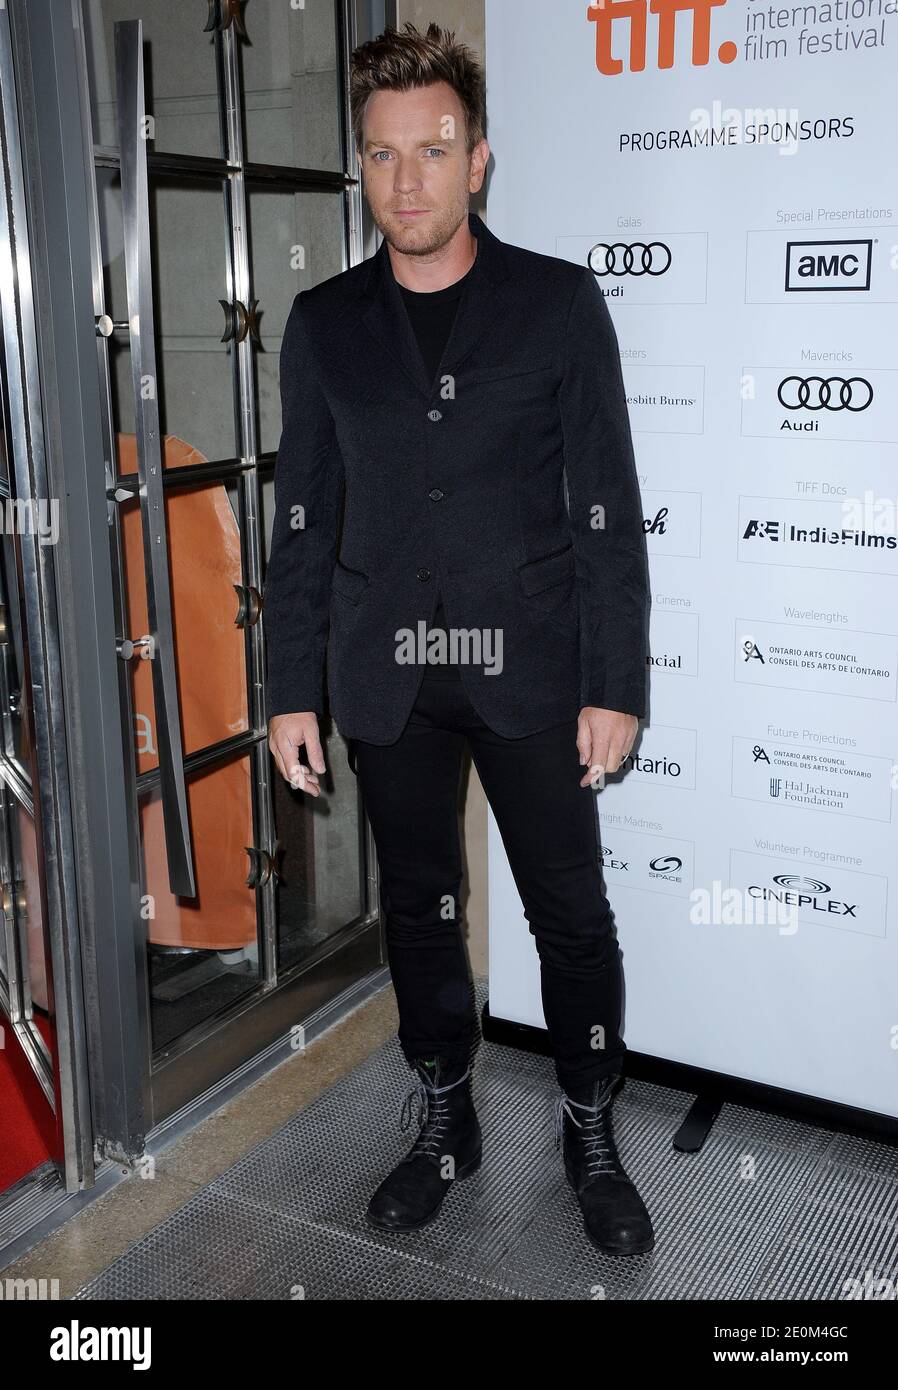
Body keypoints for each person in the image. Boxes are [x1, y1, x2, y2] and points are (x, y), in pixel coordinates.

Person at [265, 21, 653, 1256]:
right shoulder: (324, 322)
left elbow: (604, 503)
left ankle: (589, 1121)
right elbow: (302, 516)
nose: (408, 181)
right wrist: (289, 692)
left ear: (478, 158)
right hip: (393, 680)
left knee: (570, 915)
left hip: (534, 670)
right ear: (362, 168)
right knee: (421, 911)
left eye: (433, 151)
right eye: (382, 157)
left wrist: (614, 681)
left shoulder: (554, 302)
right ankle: (444, 1118)